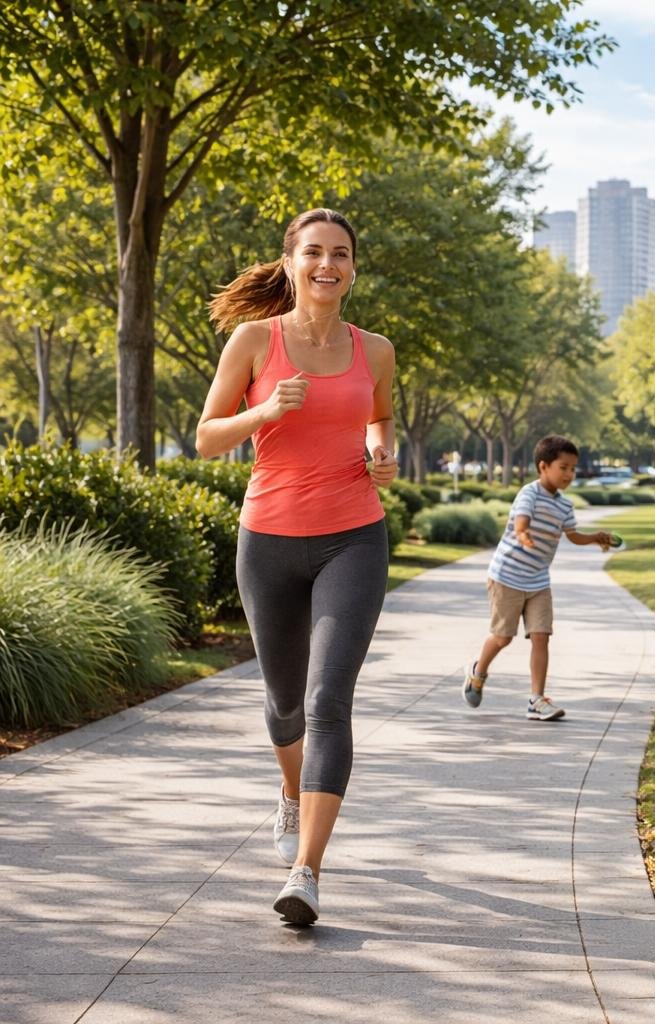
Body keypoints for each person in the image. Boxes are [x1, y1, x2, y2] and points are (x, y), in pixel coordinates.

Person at [198, 208, 400, 926]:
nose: (327, 264)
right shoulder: (254, 341)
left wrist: (381, 452)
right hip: (270, 540)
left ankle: (305, 870)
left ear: (353, 267)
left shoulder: (374, 349)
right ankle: (291, 795)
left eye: (340, 253)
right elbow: (204, 437)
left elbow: (379, 416)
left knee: (326, 702)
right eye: (313, 252)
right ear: (290, 262)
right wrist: (262, 415)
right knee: (284, 703)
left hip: (354, 537)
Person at [464, 434, 613, 719]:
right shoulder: (529, 493)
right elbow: (522, 521)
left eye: (573, 468)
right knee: (502, 637)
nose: (570, 474)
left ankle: (536, 700)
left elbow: (573, 535)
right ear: (543, 466)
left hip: (538, 581)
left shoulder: (565, 505)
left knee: (541, 637)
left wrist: (595, 537)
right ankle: (478, 672)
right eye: (564, 467)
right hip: (507, 576)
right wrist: (522, 534)